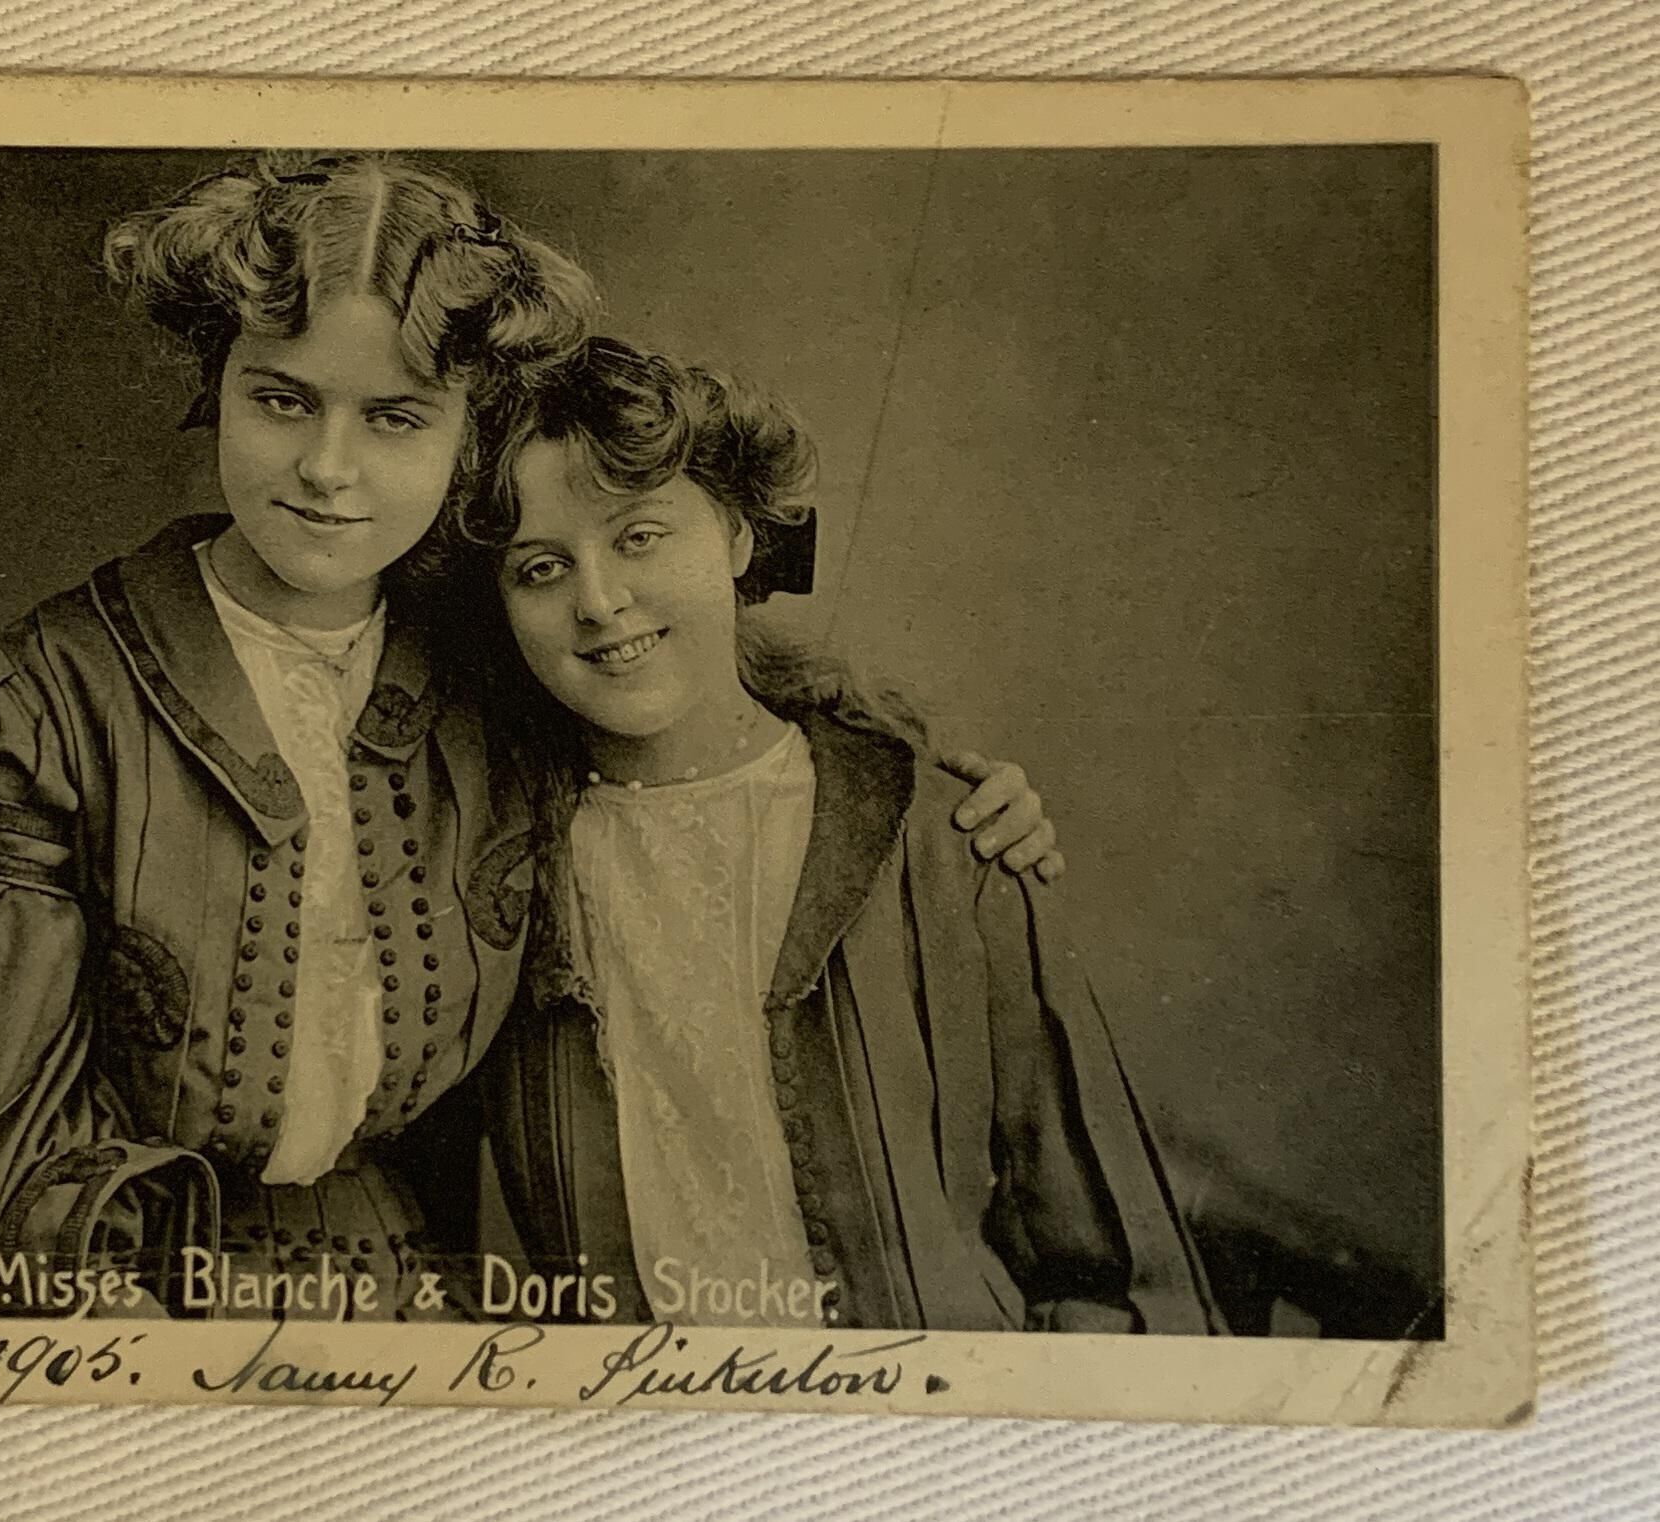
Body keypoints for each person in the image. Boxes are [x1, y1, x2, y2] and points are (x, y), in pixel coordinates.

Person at [0, 155, 1064, 1319]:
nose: (328, 470)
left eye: (394, 417)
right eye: (280, 400)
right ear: (216, 383)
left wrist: (928, 776)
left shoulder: (485, 671)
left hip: (414, 1305)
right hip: (115, 1300)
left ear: (462, 434)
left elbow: (697, 711)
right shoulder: (51, 692)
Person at [465, 337, 1221, 1334]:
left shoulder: (940, 840)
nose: (599, 601)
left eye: (640, 536)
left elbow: (1110, 1269)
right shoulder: (491, 871)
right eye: (541, 567)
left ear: (738, 536)